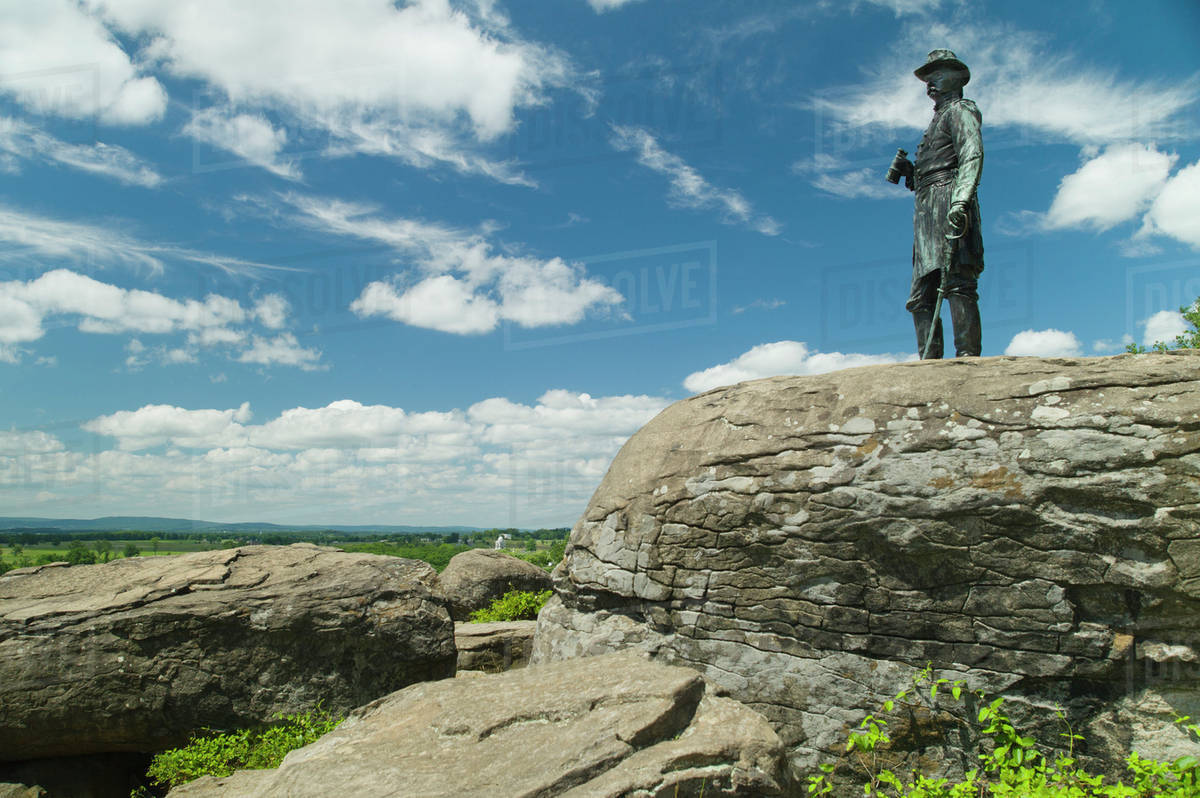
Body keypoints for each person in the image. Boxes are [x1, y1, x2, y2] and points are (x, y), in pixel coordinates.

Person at [894, 49, 984, 359]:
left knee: (958, 281)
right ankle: (929, 363)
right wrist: (913, 174)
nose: (930, 83)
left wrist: (961, 200)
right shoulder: (936, 120)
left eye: (937, 75)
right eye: (927, 79)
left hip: (949, 196)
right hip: (927, 206)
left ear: (958, 77)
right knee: (921, 295)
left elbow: (972, 154)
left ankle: (967, 357)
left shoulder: (961, 110)